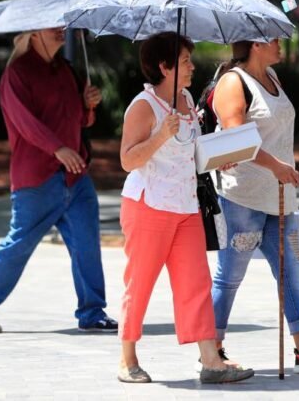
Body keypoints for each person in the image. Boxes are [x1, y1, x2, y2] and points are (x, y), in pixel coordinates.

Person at [117, 32, 254, 384]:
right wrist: (160, 135)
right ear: (164, 67)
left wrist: (216, 159)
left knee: (196, 282)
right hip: (149, 206)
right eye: (184, 61)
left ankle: (211, 360)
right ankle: (127, 359)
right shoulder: (143, 107)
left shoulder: (188, 99)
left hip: (186, 205)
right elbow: (128, 160)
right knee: (141, 282)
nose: (192, 66)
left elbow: (190, 151)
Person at [210, 39, 299, 373]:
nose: (281, 43)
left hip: (279, 195)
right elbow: (236, 137)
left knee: (290, 272)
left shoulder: (272, 75)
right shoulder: (233, 82)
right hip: (242, 196)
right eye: (273, 38)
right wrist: (277, 166)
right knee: (231, 274)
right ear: (256, 43)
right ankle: (211, 349)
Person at [0, 27, 116, 334]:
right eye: (53, 27)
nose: (61, 31)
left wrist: (88, 104)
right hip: (36, 179)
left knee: (87, 245)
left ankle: (92, 312)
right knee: (18, 244)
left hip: (76, 178)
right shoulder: (16, 75)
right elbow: (25, 123)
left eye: (63, 26)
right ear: (33, 33)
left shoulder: (66, 71)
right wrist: (57, 148)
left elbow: (79, 120)